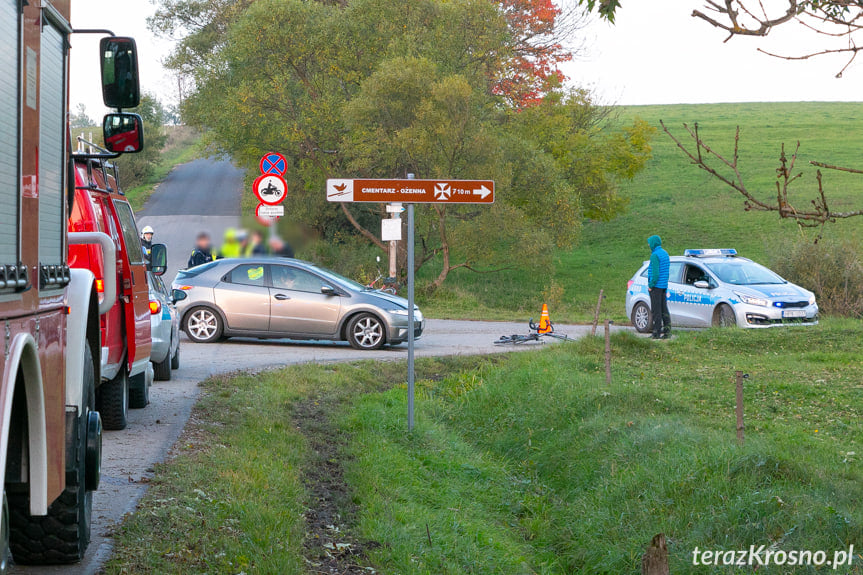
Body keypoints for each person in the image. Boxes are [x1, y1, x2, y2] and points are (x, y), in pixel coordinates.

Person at [647, 235, 671, 339]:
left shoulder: (654, 255)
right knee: (664, 309)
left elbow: (655, 273)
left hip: (656, 286)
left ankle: (656, 333)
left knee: (656, 310)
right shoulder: (665, 253)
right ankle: (667, 332)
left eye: (649, 243)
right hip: (663, 286)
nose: (648, 245)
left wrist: (651, 285)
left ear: (653, 243)